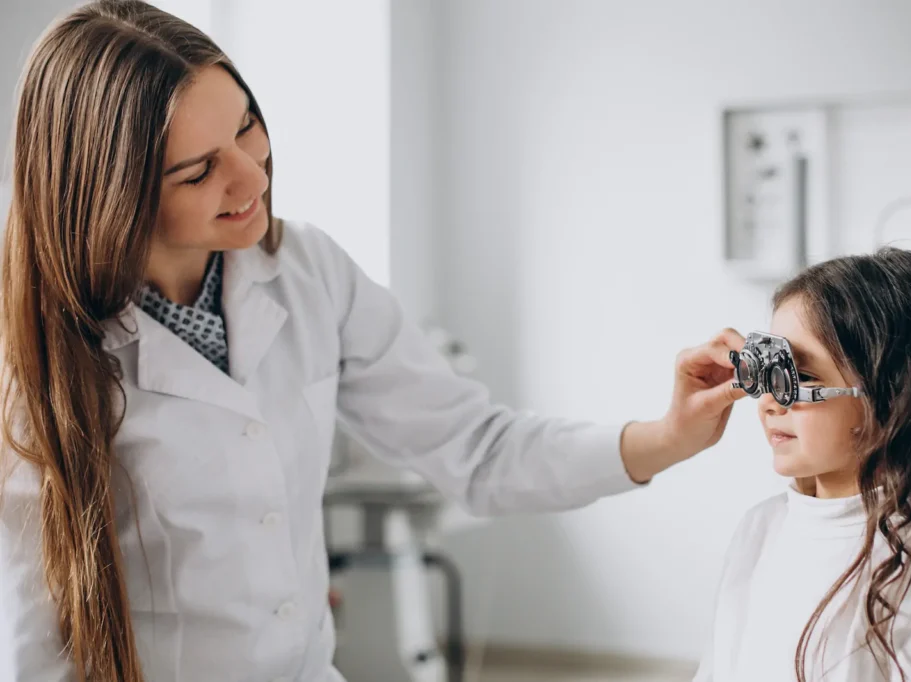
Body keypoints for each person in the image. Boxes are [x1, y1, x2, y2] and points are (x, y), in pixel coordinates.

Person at [0, 2, 747, 681]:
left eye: (245, 126)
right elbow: (40, 629)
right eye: (198, 172)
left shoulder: (304, 270)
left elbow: (477, 449)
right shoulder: (42, 356)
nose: (249, 174)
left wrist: (669, 436)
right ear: (111, 195)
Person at [693, 248, 911, 682]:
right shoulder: (759, 530)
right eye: (767, 371)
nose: (770, 402)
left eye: (801, 377)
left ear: (895, 396)